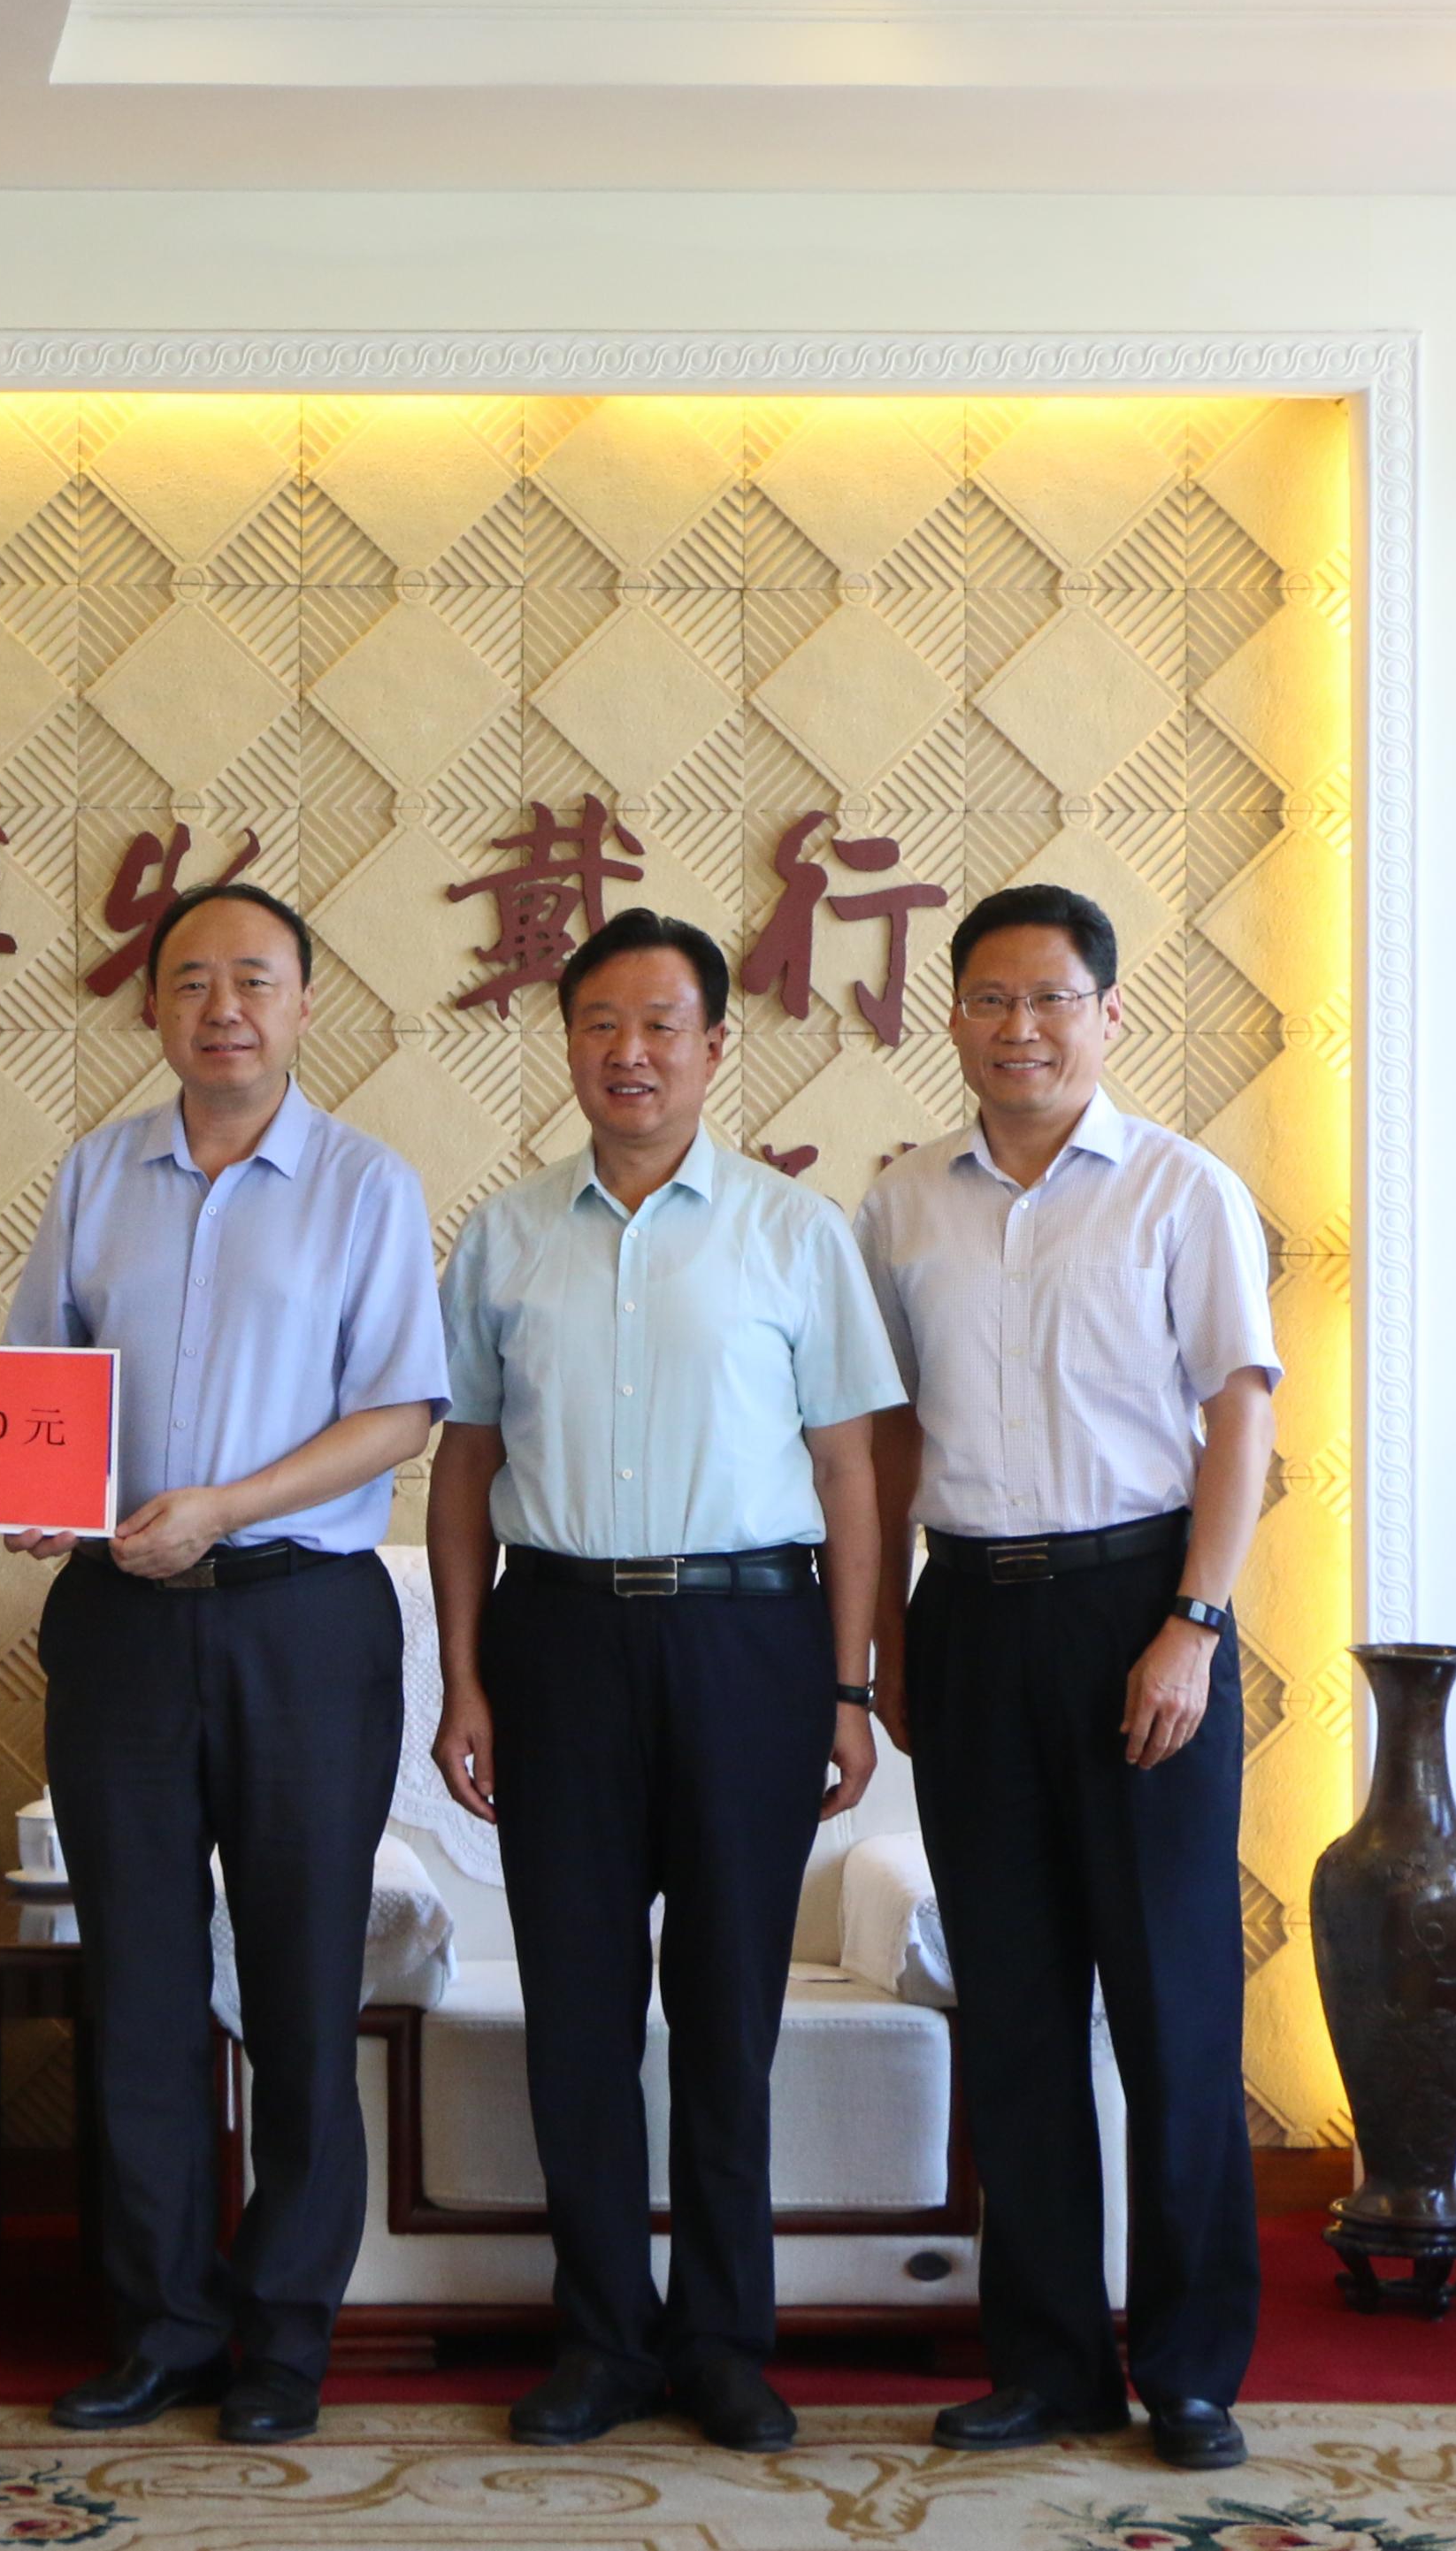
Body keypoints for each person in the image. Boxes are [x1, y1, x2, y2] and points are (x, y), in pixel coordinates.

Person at [0, 878, 448, 2448]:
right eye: (190, 980)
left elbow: (398, 1413)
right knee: (141, 1981)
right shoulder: (95, 1173)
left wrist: (223, 1506)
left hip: (301, 1620)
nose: (222, 1008)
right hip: (119, 1618)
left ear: (303, 1003)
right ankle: (163, 2322)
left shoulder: (365, 1183)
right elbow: (38, 1386)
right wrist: (16, 1489)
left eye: (254, 979)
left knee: (304, 1977)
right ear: (152, 1006)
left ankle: (285, 2332)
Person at [427, 908, 900, 2451]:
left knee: (724, 2004)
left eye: (658, 1025)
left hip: (746, 1644)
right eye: (598, 1025)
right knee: (576, 2006)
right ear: (565, 1041)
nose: (627, 1053)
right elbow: (461, 1467)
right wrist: (464, 1677)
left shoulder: (790, 1232)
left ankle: (722, 2340)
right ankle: (599, 2340)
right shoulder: (502, 1237)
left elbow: (849, 1473)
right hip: (556, 1639)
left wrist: (847, 1689)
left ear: (710, 1044)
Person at [855, 882, 1281, 2473]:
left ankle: (1187, 2368)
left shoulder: (1180, 1188)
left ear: (1107, 1014)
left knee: (1171, 2008)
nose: (1018, 1027)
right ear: (951, 1016)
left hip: (1136, 1607)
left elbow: (1238, 1412)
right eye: (988, 998)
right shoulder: (901, 1203)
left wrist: (1194, 1622)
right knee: (1016, 2011)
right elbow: (885, 1439)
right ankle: (1044, 2361)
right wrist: (885, 1638)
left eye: (1049, 998)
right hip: (969, 1610)